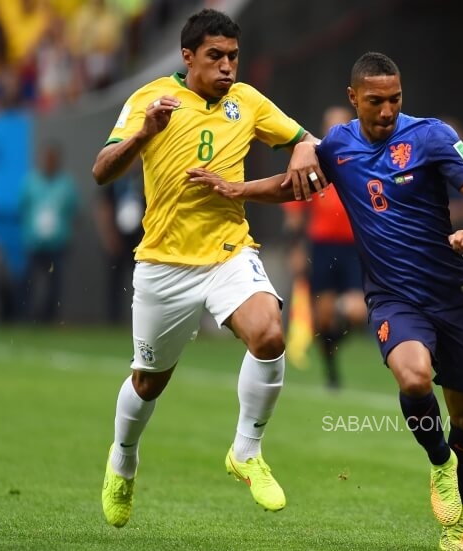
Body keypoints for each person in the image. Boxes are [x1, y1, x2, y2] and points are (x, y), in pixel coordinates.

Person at [188, 51, 463, 551]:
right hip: (394, 298)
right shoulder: (338, 146)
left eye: (395, 99)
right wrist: (234, 190)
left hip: (453, 295)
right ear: (353, 99)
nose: (387, 111)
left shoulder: (432, 136)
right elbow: (292, 187)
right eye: (375, 101)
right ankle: (441, 464)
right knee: (414, 375)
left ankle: (458, 511)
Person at [92, 8, 326, 529]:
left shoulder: (248, 102)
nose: (227, 67)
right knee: (149, 383)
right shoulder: (150, 99)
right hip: (164, 264)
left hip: (228, 252)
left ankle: (246, 451)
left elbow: (304, 139)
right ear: (188, 56)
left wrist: (306, 150)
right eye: (215, 57)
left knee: (269, 335)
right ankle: (123, 459)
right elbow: (102, 172)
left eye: (233, 57)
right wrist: (144, 133)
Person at [281, 105, 367, 388]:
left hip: (354, 247)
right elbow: (295, 212)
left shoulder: (362, 161)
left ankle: (332, 345)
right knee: (324, 317)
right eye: (330, 126)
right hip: (322, 247)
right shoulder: (310, 162)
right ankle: (331, 369)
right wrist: (294, 248)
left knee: (357, 312)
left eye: (341, 126)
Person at [19, 141, 79, 323]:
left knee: (55, 283)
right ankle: (27, 316)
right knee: (29, 281)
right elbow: (22, 208)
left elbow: (74, 212)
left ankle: (49, 318)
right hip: (34, 242)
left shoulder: (66, 184)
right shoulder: (30, 182)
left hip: (57, 243)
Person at [94, 159, 145, 324]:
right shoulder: (115, 181)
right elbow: (104, 207)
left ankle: (142, 319)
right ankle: (113, 319)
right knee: (114, 280)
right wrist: (109, 235)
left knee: (143, 281)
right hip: (118, 237)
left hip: (141, 239)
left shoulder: (145, 179)